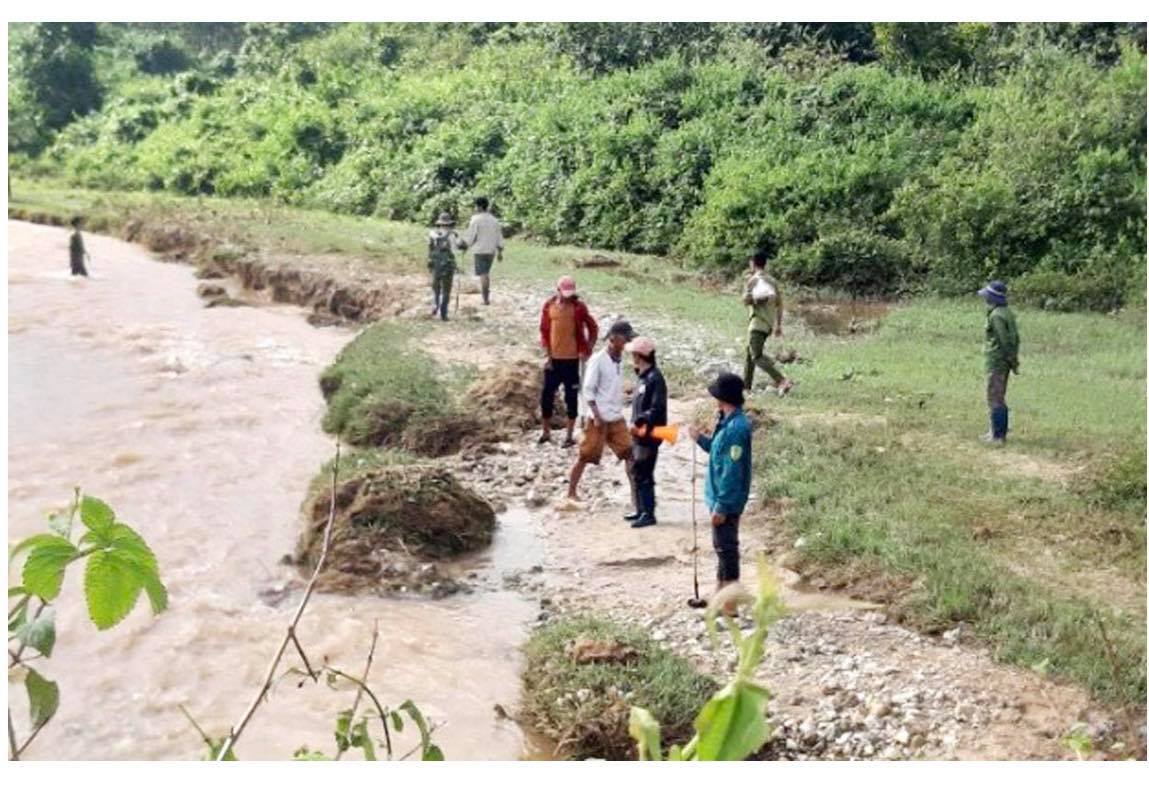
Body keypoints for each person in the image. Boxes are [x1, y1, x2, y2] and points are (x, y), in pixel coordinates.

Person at [689, 372, 753, 605]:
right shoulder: (726, 423)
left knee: (727, 549)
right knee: (721, 547)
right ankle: (720, 594)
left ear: (722, 399)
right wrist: (699, 439)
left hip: (726, 499)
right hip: (718, 496)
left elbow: (731, 471)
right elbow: (717, 451)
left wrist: (721, 506)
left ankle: (730, 602)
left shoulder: (736, 429)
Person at [568, 320, 637, 502]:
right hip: (597, 419)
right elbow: (588, 390)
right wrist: (597, 416)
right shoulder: (598, 360)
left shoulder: (619, 360)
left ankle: (634, 495)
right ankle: (571, 492)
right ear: (613, 338)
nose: (628, 343)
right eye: (626, 339)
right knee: (585, 456)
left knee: (630, 454)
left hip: (615, 416)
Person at [539, 276, 598, 447]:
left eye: (570, 293)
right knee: (546, 396)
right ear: (558, 290)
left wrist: (588, 348)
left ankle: (569, 436)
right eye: (564, 293)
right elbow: (544, 331)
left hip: (572, 360)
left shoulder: (578, 308)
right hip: (553, 360)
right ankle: (546, 432)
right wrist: (547, 355)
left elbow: (592, 327)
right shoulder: (549, 306)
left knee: (571, 398)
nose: (567, 296)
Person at [625, 336, 667, 528]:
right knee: (638, 471)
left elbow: (656, 408)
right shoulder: (644, 376)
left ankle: (648, 513)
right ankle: (641, 510)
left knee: (644, 472)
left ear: (640, 356)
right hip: (640, 434)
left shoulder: (655, 379)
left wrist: (641, 421)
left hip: (649, 435)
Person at [742, 250, 793, 396]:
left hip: (757, 323)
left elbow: (745, 301)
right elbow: (780, 305)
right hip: (768, 325)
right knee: (749, 353)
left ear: (752, 263)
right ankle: (746, 387)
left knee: (756, 356)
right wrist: (778, 325)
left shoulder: (753, 280)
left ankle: (781, 380)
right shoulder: (773, 281)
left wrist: (751, 295)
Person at [979, 280, 1020, 446]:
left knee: (995, 397)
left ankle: (998, 435)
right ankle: (995, 431)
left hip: (997, 360)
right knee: (998, 395)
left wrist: (1009, 358)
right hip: (1004, 361)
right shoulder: (1006, 312)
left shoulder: (996, 316)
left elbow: (1004, 340)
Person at [461, 196, 504, 306]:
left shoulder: (476, 219)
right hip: (491, 250)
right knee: (486, 272)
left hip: (480, 250)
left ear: (479, 206)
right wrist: (500, 252)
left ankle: (485, 298)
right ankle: (486, 297)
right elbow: (499, 236)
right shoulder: (494, 220)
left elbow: (471, 236)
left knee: (483, 274)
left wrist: (465, 246)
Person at [427, 212, 463, 321]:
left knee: (436, 287)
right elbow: (455, 250)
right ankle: (443, 313)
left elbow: (430, 249)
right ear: (449, 224)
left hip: (435, 264)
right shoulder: (451, 235)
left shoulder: (432, 234)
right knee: (446, 290)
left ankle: (435, 305)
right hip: (447, 266)